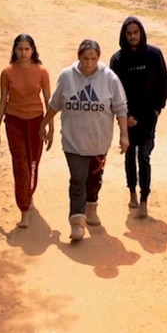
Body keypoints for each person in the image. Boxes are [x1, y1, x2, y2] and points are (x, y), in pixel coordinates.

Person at [40, 39, 129, 241]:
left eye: (93, 59)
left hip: (99, 142)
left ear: (99, 58)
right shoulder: (67, 76)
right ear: (78, 56)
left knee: (94, 179)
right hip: (73, 140)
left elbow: (120, 108)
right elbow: (55, 103)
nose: (89, 63)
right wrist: (44, 123)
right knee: (78, 178)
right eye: (85, 58)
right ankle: (77, 222)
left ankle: (91, 208)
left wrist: (124, 134)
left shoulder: (110, 79)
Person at [109, 16, 167, 218]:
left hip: (148, 116)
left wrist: (157, 110)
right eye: (129, 33)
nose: (133, 36)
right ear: (124, 36)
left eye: (136, 32)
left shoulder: (154, 54)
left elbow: (164, 84)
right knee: (129, 154)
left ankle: (144, 197)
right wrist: (124, 117)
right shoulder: (117, 60)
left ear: (141, 33)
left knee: (144, 156)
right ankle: (132, 192)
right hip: (127, 117)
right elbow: (113, 91)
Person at [0, 34, 53, 229]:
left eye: (27, 49)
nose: (23, 53)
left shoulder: (42, 71)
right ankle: (24, 210)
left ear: (33, 50)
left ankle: (29, 194)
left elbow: (48, 101)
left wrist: (50, 127)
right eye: (20, 49)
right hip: (14, 122)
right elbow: (3, 101)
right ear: (14, 50)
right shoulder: (7, 72)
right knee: (20, 165)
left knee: (33, 162)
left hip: (36, 122)